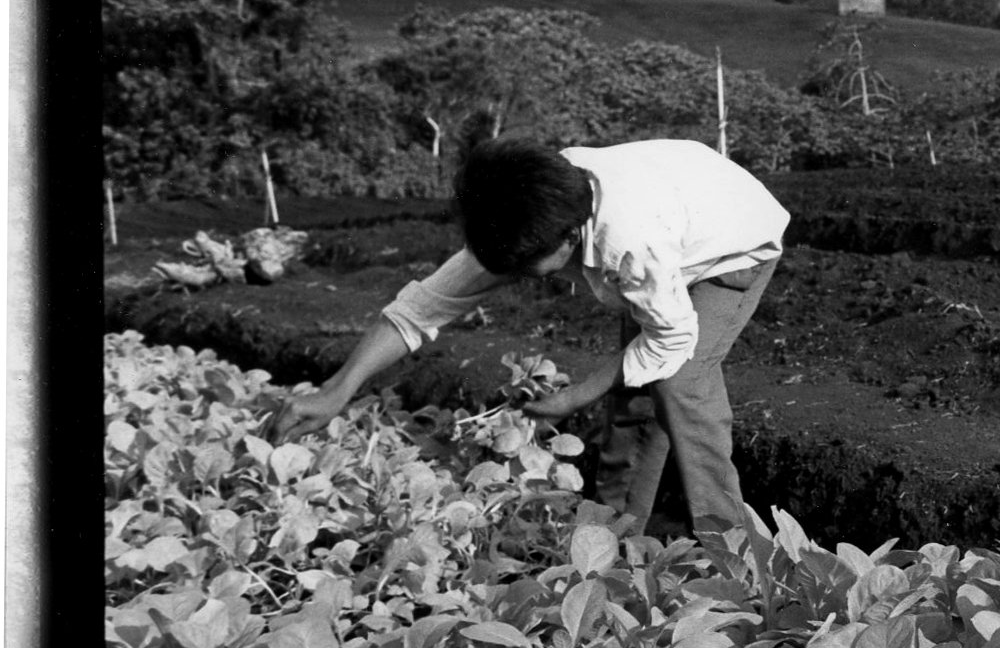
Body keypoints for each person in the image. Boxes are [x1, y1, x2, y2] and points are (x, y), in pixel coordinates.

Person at [271, 137, 791, 532]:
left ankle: (733, 556)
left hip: (732, 243)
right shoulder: (520, 210)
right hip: (678, 209)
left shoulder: (632, 244)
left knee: (681, 386)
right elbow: (421, 308)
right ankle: (612, 538)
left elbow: (669, 342)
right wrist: (338, 389)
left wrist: (575, 395)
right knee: (635, 399)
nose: (520, 277)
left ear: (567, 238)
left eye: (530, 267)